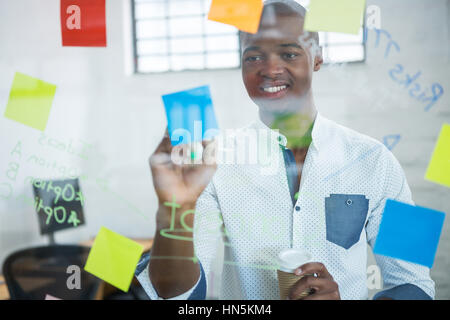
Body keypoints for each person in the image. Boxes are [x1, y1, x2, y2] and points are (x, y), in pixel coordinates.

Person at [136, 0, 435, 300]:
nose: (270, 69)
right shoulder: (211, 162)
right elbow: (173, 294)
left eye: (289, 53)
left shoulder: (378, 159)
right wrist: (174, 209)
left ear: (317, 58)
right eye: (253, 57)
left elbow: (418, 283)